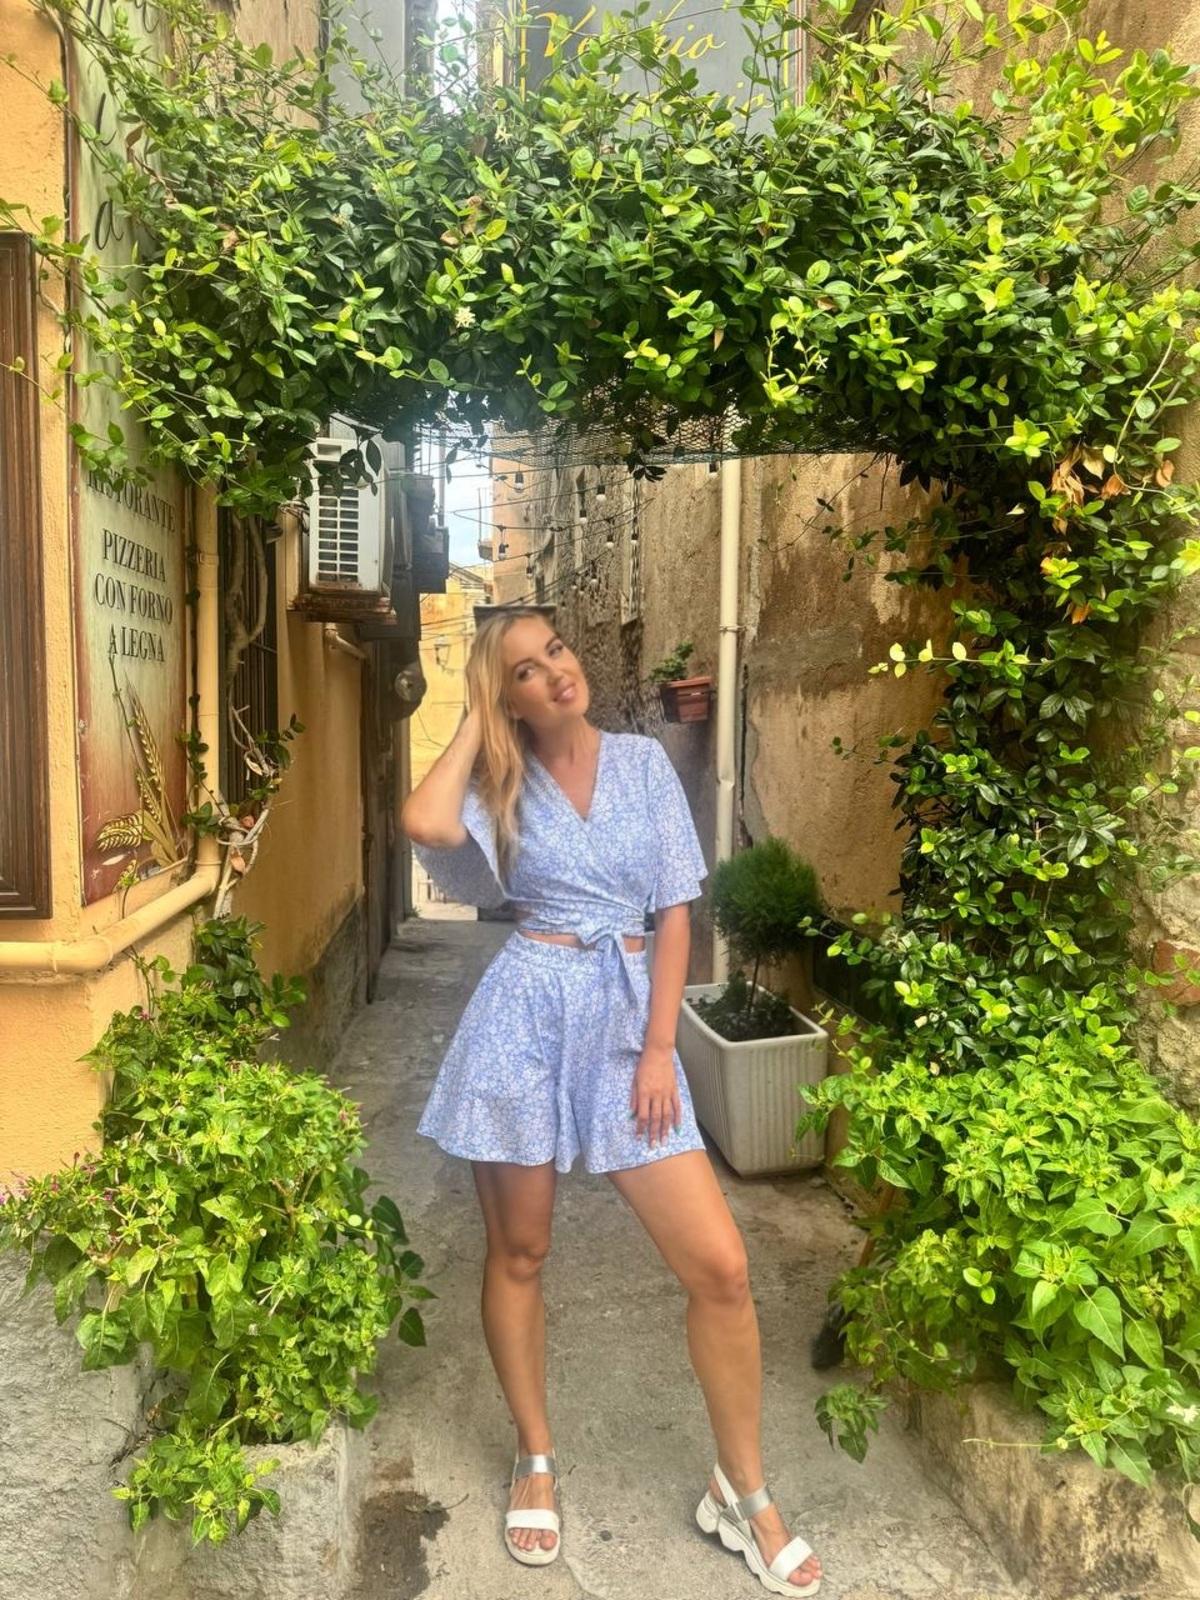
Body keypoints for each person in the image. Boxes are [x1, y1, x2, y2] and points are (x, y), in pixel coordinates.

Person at [400, 607, 822, 1597]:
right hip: (525, 1016)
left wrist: (660, 1048)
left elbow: (674, 911)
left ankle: (743, 1492)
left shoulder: (641, 766)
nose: (555, 671)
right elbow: (423, 822)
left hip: (630, 1026)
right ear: (506, 699)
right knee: (521, 1251)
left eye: (555, 650)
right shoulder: (500, 787)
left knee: (720, 1266)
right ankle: (535, 1454)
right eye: (523, 670)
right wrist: (475, 716)